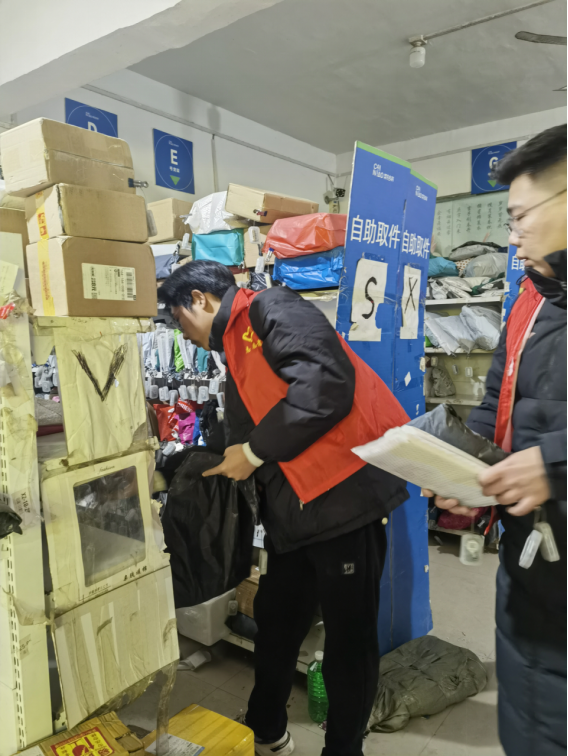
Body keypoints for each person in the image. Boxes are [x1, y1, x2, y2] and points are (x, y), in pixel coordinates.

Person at [158, 263, 410, 756]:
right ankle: (266, 729)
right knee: (276, 623)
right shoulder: (234, 347)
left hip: (342, 505)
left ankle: (343, 750)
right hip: (293, 513)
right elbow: (251, 426)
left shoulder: (270, 308)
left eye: (178, 319)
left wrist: (253, 454)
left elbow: (326, 384)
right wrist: (183, 465)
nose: (182, 333)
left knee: (349, 641)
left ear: (199, 299)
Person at [426, 125, 567, 756]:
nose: (511, 237)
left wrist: (554, 464)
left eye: (520, 217)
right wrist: (461, 463)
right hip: (531, 566)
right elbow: (496, 403)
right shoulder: (531, 300)